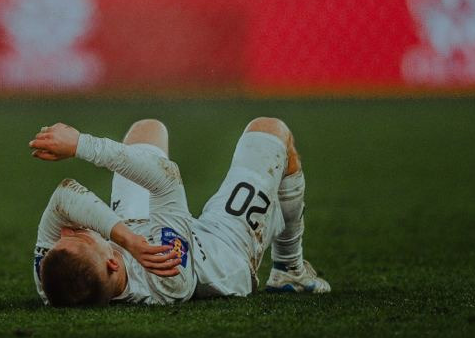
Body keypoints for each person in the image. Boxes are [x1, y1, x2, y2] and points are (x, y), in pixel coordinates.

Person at [30, 117, 329, 306]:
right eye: (81, 237)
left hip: (138, 228)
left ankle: (290, 270)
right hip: (218, 251)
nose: (67, 230)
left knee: (147, 129)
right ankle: (289, 270)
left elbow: (63, 196)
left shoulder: (51, 281)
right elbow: (166, 178)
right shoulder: (166, 277)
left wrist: (125, 238)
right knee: (271, 131)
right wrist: (81, 144)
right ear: (112, 262)